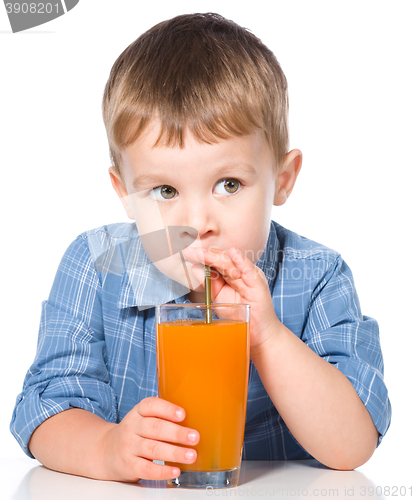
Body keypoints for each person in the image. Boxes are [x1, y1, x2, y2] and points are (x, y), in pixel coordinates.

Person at [10, 12, 391, 482]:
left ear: (283, 179)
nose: (196, 225)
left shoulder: (317, 277)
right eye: (165, 192)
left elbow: (352, 445)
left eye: (228, 184)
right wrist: (107, 448)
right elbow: (45, 411)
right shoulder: (96, 265)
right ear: (125, 193)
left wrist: (266, 336)